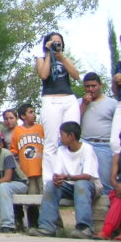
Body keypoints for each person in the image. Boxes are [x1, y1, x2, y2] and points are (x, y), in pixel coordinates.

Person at [29, 121, 99, 239]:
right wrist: (56, 179)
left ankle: (84, 228)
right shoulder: (61, 150)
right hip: (69, 185)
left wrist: (66, 177)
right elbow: (58, 172)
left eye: (62, 134)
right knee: (51, 185)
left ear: (71, 136)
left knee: (81, 184)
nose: (59, 137)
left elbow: (87, 176)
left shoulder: (87, 149)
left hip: (89, 186)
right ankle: (47, 227)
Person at [35, 31, 80, 182]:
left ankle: (72, 178)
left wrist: (61, 57)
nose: (56, 44)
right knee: (51, 142)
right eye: (52, 42)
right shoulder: (41, 59)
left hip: (68, 99)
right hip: (50, 100)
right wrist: (49, 54)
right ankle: (49, 182)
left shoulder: (65, 59)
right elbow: (43, 75)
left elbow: (76, 75)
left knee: (72, 137)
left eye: (58, 42)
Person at [79, 72, 117, 194]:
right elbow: (74, 123)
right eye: (87, 86)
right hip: (84, 143)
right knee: (84, 179)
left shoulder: (112, 103)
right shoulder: (79, 102)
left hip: (104, 145)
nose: (90, 89)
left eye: (93, 86)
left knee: (106, 182)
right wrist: (84, 104)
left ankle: (108, 212)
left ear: (100, 85)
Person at [9, 103, 44, 229]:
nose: (33, 114)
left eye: (34, 112)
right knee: (31, 199)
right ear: (23, 116)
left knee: (44, 197)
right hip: (27, 171)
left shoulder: (40, 128)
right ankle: (32, 224)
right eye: (30, 112)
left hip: (41, 169)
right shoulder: (18, 130)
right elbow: (14, 149)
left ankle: (49, 224)